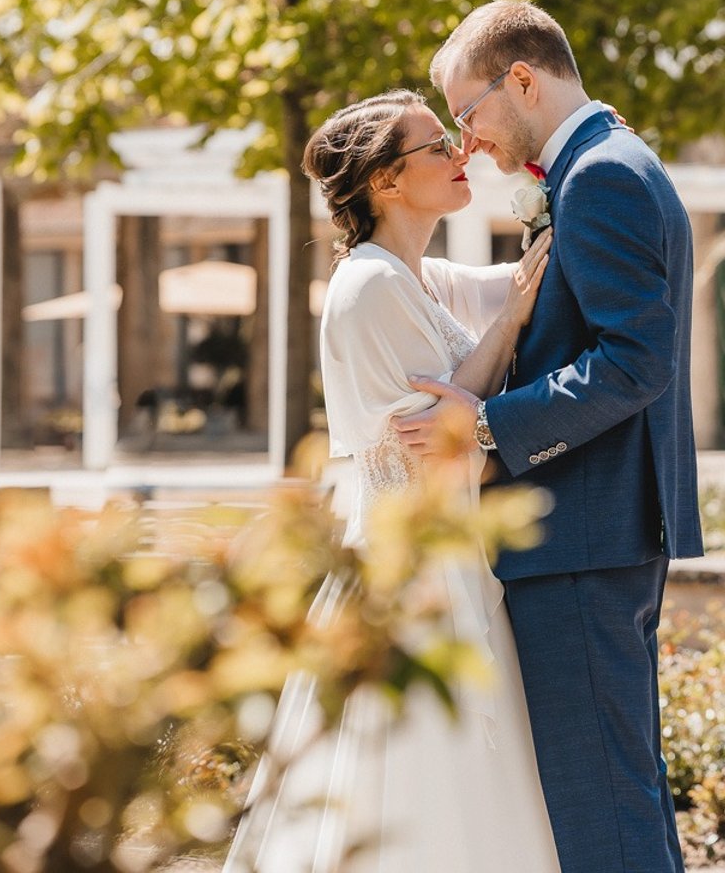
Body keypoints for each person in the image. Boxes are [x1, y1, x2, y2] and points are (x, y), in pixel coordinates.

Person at [393, 0, 703, 873]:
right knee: (621, 784)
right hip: (605, 527)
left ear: (521, 79)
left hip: (581, 530)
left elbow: (636, 362)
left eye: (470, 112)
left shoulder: (599, 175)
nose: (468, 141)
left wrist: (488, 423)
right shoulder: (607, 164)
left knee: (601, 801)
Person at [224, 89, 559, 873]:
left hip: (443, 548)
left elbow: (519, 284)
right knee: (418, 760)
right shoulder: (371, 286)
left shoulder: (412, 274)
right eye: (437, 147)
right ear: (385, 182)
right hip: (409, 563)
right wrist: (506, 326)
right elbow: (439, 432)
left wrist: (552, 194)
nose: (459, 155)